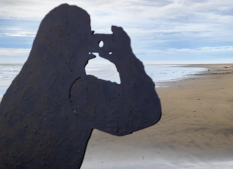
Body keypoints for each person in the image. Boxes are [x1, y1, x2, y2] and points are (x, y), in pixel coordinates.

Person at [0, 4, 161, 168]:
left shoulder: (21, 87)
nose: (92, 38)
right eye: (88, 33)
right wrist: (125, 58)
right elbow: (146, 112)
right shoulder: (79, 91)